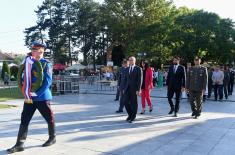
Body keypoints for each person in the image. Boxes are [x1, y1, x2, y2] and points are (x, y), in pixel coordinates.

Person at [7, 41, 56, 154]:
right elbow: (24, 77)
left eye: (35, 49)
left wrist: (36, 94)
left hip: (42, 97)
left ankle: (52, 138)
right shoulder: (29, 63)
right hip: (29, 98)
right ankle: (20, 144)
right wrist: (26, 90)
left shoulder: (46, 64)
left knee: (49, 118)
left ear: (41, 51)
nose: (33, 51)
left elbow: (47, 82)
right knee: (24, 119)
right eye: (32, 49)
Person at [123, 56, 142, 123]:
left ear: (134, 61)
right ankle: (130, 114)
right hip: (127, 88)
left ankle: (133, 116)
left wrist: (139, 90)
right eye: (129, 60)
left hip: (134, 89)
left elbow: (139, 80)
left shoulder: (138, 69)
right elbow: (125, 79)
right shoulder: (127, 69)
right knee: (125, 101)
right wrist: (123, 88)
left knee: (134, 103)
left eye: (132, 60)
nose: (130, 61)